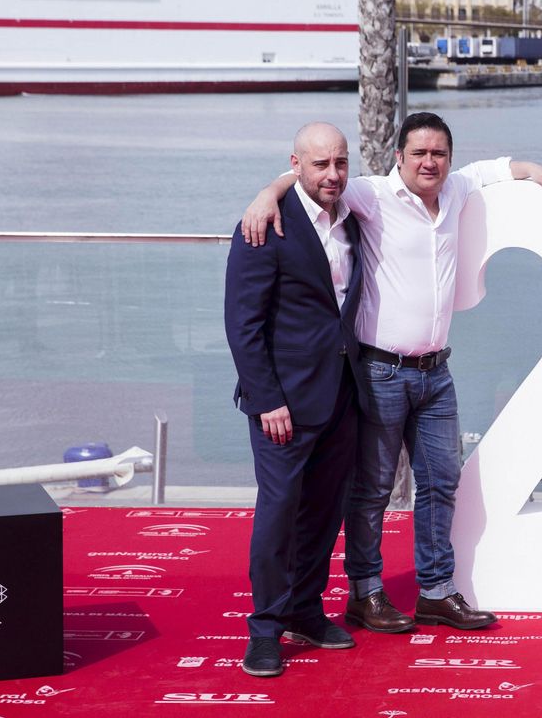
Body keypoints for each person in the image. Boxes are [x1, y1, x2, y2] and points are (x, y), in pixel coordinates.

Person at [243, 111, 542, 633]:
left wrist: (530, 168)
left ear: (448, 159)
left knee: (441, 483)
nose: (429, 162)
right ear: (398, 157)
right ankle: (365, 593)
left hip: (436, 373)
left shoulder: (457, 190)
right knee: (372, 488)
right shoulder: (370, 194)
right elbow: (313, 182)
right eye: (418, 153)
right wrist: (267, 193)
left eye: (438, 154)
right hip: (380, 371)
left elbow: (492, 170)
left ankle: (437, 592)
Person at [225, 122, 364, 678]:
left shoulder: (353, 219)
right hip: (282, 403)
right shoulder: (264, 226)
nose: (332, 175)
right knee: (278, 515)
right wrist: (266, 400)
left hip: (343, 394)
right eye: (319, 165)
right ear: (296, 165)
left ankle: (306, 609)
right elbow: (243, 323)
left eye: (340, 163)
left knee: (325, 513)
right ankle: (264, 628)